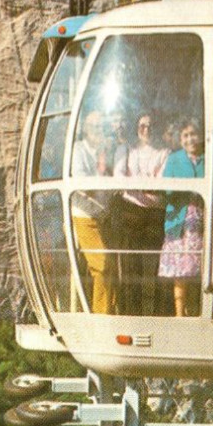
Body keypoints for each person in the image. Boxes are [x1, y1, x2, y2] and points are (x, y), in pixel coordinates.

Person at [112, 112, 169, 316]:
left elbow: (160, 183)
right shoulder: (127, 149)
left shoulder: (164, 152)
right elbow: (119, 179)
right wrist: (145, 184)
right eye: (142, 125)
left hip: (154, 214)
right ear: (136, 128)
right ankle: (131, 315)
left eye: (150, 125)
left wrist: (136, 184)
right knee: (131, 268)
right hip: (131, 213)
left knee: (154, 268)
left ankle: (154, 316)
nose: (146, 129)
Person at [70, 110, 118, 314]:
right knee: (102, 264)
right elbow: (83, 187)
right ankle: (100, 316)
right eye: (94, 126)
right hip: (85, 216)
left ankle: (108, 310)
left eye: (101, 126)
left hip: (103, 215)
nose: (98, 130)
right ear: (85, 129)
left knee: (111, 268)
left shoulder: (105, 150)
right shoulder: (78, 150)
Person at [160, 120, 207, 317]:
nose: (190, 139)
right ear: (180, 139)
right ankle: (180, 314)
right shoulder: (174, 159)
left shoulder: (208, 158)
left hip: (203, 221)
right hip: (180, 222)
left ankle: (198, 311)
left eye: (193, 134)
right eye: (186, 135)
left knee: (199, 267)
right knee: (181, 269)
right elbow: (167, 188)